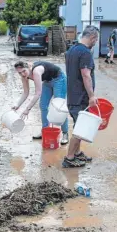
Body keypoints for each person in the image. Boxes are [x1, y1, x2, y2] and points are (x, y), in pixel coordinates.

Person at [62, 25, 99, 168]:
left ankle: (76, 153)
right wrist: (91, 96)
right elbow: (86, 75)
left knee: (78, 126)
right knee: (81, 128)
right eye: (95, 40)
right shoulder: (85, 53)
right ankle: (69, 158)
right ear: (92, 37)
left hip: (72, 96)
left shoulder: (72, 50)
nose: (95, 43)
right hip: (81, 98)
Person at [13, 61, 69, 145]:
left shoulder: (36, 71)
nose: (22, 74)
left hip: (59, 79)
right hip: (47, 81)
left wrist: (27, 109)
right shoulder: (24, 76)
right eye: (19, 73)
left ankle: (65, 133)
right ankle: (45, 131)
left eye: (24, 71)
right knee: (43, 105)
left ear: (28, 67)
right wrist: (17, 105)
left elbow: (38, 93)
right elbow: (26, 93)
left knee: (59, 108)